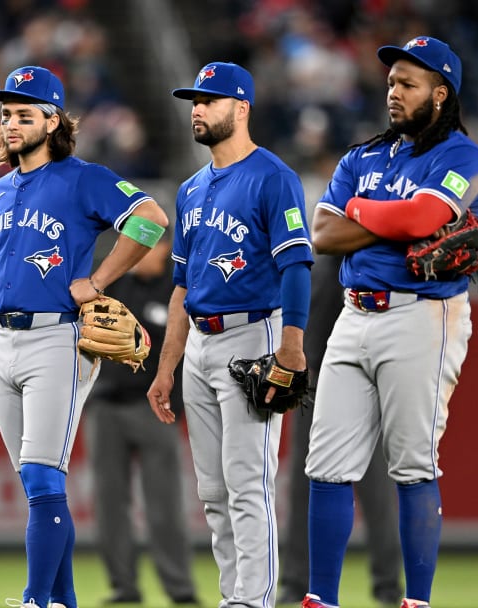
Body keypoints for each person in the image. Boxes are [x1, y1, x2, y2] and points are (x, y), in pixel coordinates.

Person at [0, 65, 169, 608]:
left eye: (23, 115)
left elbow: (150, 219)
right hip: (3, 344)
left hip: (57, 340)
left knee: (40, 475)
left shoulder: (84, 178)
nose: (10, 124)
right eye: (6, 114)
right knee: (38, 487)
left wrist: (99, 280)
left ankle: (36, 600)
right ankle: (62, 602)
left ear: (53, 121)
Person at [300, 36, 478, 608]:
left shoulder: (462, 157)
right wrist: (394, 222)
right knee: (325, 465)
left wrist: (360, 208)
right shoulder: (362, 156)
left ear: (440, 92)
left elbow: (428, 215)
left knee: (412, 464)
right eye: (390, 82)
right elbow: (324, 234)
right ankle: (321, 599)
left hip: (422, 316)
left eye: (407, 84)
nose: (393, 92)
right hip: (353, 314)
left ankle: (417, 601)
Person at [148, 61, 313, 608]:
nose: (197, 108)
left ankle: (256, 600)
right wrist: (167, 367)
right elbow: (180, 288)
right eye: (194, 100)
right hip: (197, 342)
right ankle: (232, 596)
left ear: (242, 108)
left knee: (247, 483)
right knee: (213, 492)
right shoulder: (190, 189)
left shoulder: (273, 177)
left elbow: (295, 266)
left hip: (253, 337)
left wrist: (291, 344)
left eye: (210, 99)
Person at [278, 253, 403, 607]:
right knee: (305, 485)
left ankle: (388, 587)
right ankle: (296, 583)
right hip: (314, 383)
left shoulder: (369, 265)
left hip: (364, 382)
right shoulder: (312, 266)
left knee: (375, 488)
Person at [84, 239, 200, 606]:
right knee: (109, 504)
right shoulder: (115, 284)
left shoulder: (178, 288)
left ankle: (180, 590)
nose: (139, 251)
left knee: (164, 506)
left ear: (166, 247)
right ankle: (124, 586)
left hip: (155, 411)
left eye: (148, 243)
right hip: (105, 408)